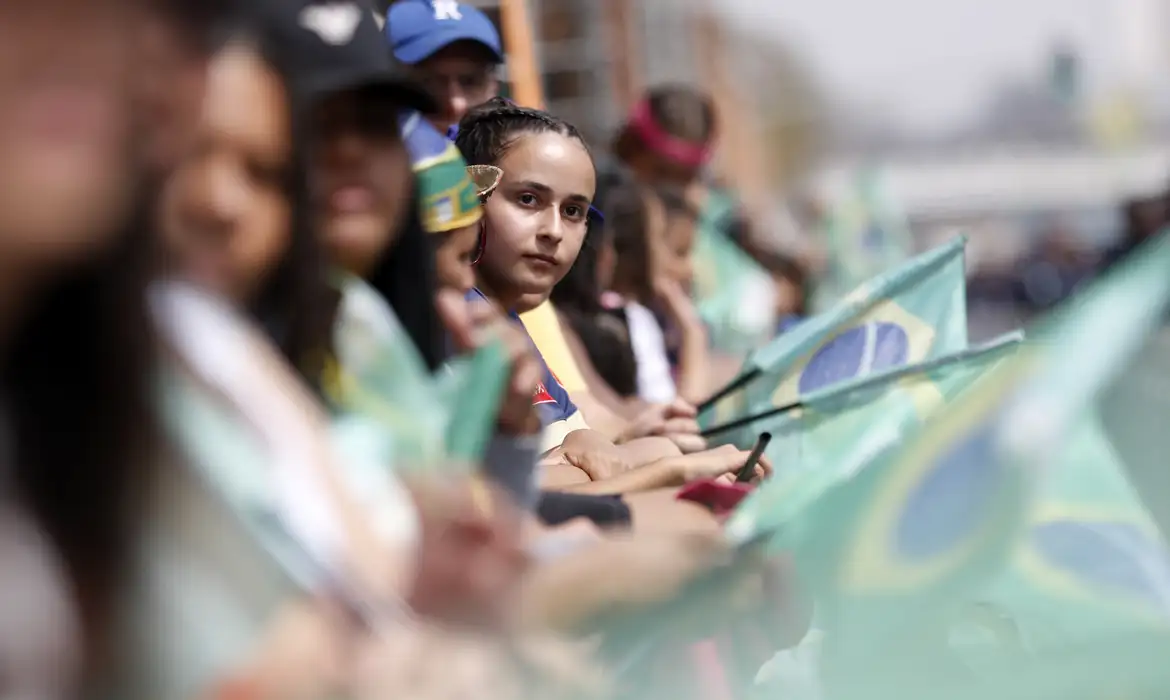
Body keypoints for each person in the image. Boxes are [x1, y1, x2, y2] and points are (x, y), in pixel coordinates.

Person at [454, 98, 771, 495]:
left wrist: (647, 443)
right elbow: (505, 498)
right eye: (528, 200)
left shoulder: (507, 317)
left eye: (573, 211)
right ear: (470, 197)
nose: (553, 231)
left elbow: (584, 432)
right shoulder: (461, 325)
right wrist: (669, 472)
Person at [386, 0, 503, 134]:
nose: (457, 105)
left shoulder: (521, 142)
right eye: (430, 83)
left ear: (494, 86)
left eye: (470, 82)